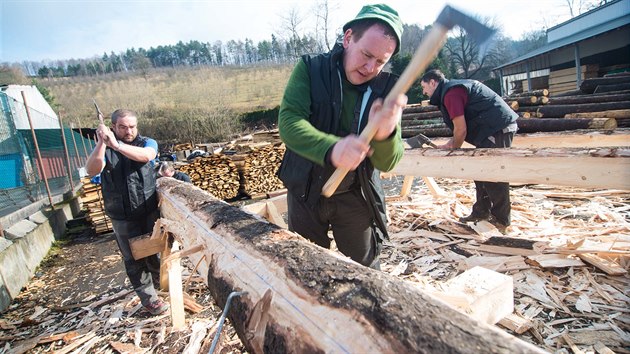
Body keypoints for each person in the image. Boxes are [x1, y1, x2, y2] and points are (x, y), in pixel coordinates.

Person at [277, 4, 407, 269]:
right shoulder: (311, 69)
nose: (371, 67)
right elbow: (289, 122)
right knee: (305, 269)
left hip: (356, 193)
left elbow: (388, 162)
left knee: (366, 276)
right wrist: (331, 148)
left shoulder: (387, 89)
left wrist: (386, 134)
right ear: (348, 38)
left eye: (380, 61)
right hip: (305, 189)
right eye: (366, 55)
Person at [85, 108, 168, 315]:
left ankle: (162, 282)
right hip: (121, 214)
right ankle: (149, 299)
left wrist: (117, 145)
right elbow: (92, 170)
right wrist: (102, 144)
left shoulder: (147, 142)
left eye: (132, 126)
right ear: (113, 127)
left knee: (154, 249)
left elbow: (147, 156)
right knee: (133, 258)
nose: (128, 131)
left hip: (147, 209)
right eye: (123, 127)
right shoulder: (106, 149)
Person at [420, 69, 518, 232]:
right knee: (480, 170)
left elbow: (461, 129)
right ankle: (481, 212)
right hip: (490, 128)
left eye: (425, 87)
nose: (424, 92)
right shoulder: (451, 90)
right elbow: (459, 130)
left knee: (494, 173)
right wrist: (450, 144)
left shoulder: (451, 93)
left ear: (433, 82)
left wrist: (455, 149)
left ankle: (501, 220)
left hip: (498, 127)